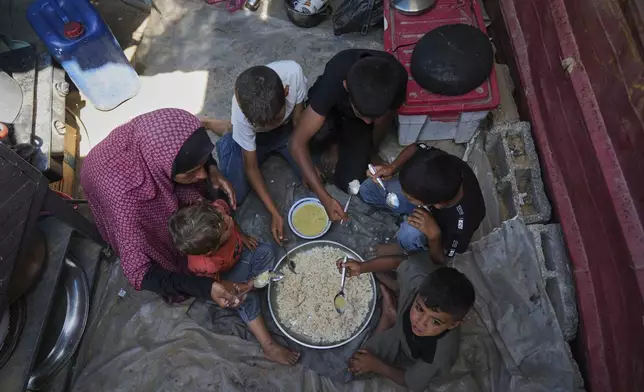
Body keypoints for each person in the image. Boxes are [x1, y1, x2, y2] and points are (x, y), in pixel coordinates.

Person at [80, 108, 243, 308]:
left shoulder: (167, 132)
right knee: (157, 242)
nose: (201, 176)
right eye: (192, 172)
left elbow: (194, 154)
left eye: (201, 167)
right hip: (111, 183)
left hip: (131, 162)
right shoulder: (128, 208)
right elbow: (141, 274)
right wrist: (204, 287)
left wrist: (213, 169)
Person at [168, 201, 300, 365]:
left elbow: (227, 217)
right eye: (226, 228)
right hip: (224, 278)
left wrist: (241, 236)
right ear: (212, 250)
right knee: (245, 301)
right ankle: (269, 346)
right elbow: (220, 287)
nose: (229, 219)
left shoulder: (216, 212)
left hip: (240, 257)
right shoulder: (205, 265)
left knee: (265, 250)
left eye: (223, 217)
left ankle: (257, 283)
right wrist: (244, 287)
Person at [290, 49, 408, 222]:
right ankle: (333, 142)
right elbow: (296, 143)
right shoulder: (336, 76)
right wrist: (325, 198)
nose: (369, 122)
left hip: (354, 121)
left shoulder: (396, 78)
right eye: (363, 115)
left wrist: (370, 150)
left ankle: (348, 140)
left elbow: (383, 120)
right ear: (345, 86)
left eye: (373, 117)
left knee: (350, 179)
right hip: (331, 110)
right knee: (314, 140)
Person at [338, 253, 475, 391]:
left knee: (359, 367)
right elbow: (398, 262)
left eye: (435, 321)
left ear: (454, 324)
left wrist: (376, 365)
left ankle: (389, 315)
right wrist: (362, 267)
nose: (420, 322)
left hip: (407, 352)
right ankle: (391, 312)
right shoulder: (420, 285)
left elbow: (411, 382)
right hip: (400, 327)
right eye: (419, 308)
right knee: (353, 362)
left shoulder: (440, 355)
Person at [216, 61, 307, 245]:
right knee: (237, 194)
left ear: (286, 91)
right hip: (258, 140)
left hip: (286, 133)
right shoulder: (242, 112)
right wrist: (275, 213)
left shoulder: (293, 74)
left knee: (313, 176)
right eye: (265, 124)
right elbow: (251, 169)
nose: (271, 125)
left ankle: (233, 130)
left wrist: (306, 167)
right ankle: (227, 138)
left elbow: (298, 123)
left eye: (276, 118)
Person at [360, 144, 486, 264]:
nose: (404, 194)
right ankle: (403, 212)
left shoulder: (462, 224)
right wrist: (393, 167)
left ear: (438, 205)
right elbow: (416, 147)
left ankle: (403, 248)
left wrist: (434, 236)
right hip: (426, 196)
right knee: (368, 189)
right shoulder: (443, 163)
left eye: (409, 197)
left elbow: (443, 260)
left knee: (410, 234)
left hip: (435, 227)